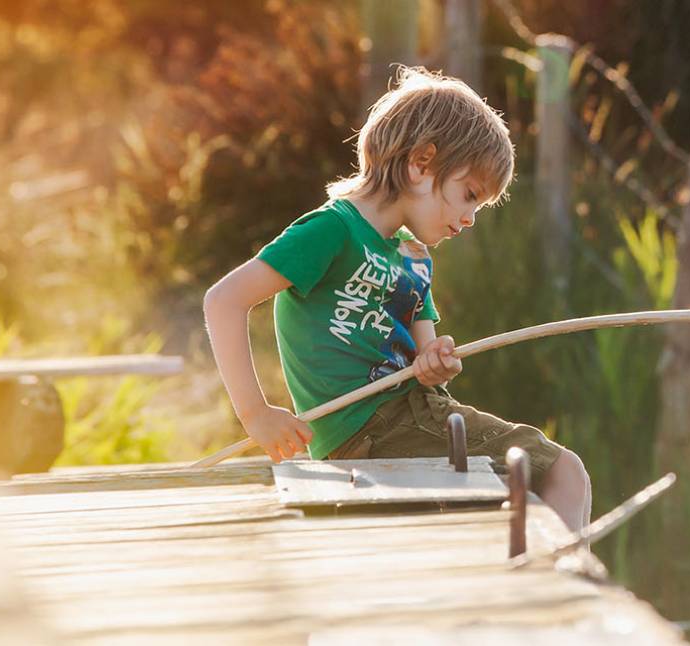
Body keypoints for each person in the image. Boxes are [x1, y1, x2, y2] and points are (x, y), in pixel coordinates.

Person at [202, 66, 591, 530]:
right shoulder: (334, 230)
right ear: (421, 163)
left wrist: (437, 362)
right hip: (374, 431)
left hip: (416, 420)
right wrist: (256, 414)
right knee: (562, 473)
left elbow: (427, 360)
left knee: (526, 497)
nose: (469, 218)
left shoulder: (414, 256)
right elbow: (223, 301)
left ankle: (537, 581)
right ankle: (569, 589)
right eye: (469, 195)